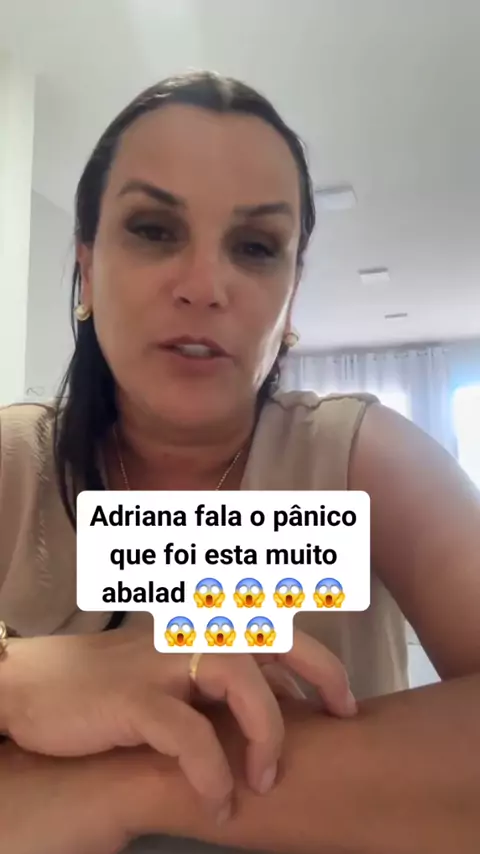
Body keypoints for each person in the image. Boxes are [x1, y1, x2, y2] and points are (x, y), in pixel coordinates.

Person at [0, 71, 479, 854]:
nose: (204, 286)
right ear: (86, 268)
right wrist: (15, 679)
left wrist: (132, 778)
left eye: (255, 248)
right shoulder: (12, 467)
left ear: (291, 298)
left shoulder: (364, 460)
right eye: (154, 229)